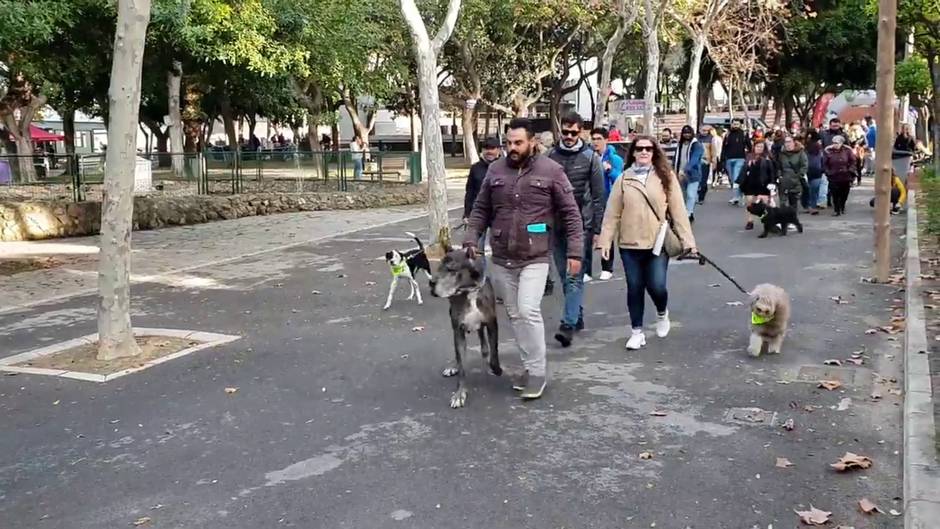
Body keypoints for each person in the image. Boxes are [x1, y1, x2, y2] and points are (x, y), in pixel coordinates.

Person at [463, 117, 584, 399]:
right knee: (515, 314)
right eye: (508, 143)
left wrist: (576, 252)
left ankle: (538, 373)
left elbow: (571, 214)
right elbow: (480, 209)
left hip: (536, 255)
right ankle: (530, 368)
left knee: (528, 310)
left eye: (518, 143)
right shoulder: (495, 170)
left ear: (532, 142)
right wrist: (471, 238)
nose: (512, 148)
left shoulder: (551, 170)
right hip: (502, 257)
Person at [596, 136, 697, 350]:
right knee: (634, 287)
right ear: (633, 152)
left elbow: (679, 212)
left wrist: (689, 242)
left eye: (648, 149)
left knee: (657, 286)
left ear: (654, 152)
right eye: (640, 148)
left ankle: (662, 313)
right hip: (629, 244)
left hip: (657, 242)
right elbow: (612, 213)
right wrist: (605, 241)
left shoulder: (665, 177)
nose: (644, 152)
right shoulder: (623, 179)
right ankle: (637, 332)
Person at [547, 112, 604, 347]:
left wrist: (598, 230)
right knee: (564, 276)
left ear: (581, 132)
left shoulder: (591, 158)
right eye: (565, 132)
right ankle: (576, 314)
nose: (569, 136)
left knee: (573, 276)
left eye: (574, 132)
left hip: (581, 227)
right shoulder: (550, 156)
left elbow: (599, 197)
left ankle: (567, 324)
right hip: (556, 227)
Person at [590, 127, 625, 281]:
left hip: (609, 200)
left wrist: (609, 170)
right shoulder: (589, 157)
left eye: (599, 139)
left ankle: (607, 267)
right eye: (593, 139)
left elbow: (620, 180)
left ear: (606, 140)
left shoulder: (614, 159)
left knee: (606, 233)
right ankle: (586, 270)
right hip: (592, 200)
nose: (595, 142)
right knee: (588, 234)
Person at [463, 137, 502, 251]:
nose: (489, 151)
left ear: (498, 150)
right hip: (479, 213)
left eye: (492, 148)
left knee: (500, 249)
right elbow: (469, 192)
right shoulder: (475, 168)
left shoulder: (505, 168)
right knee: (475, 249)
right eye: (486, 148)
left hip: (499, 214)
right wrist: (467, 214)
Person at [739, 140, 776, 230]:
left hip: (763, 183)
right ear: (754, 147)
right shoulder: (749, 157)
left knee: (764, 203)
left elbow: (771, 171)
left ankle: (768, 221)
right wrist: (740, 181)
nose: (759, 148)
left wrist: (772, 182)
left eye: (761, 147)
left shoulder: (767, 158)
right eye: (757, 146)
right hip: (750, 182)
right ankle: (750, 221)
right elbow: (744, 170)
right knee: (750, 202)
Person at [673, 125, 704, 221]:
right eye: (685, 133)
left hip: (692, 174)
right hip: (679, 173)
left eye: (688, 133)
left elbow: (694, 159)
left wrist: (685, 170)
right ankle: (688, 212)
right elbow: (676, 158)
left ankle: (688, 213)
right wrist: (675, 170)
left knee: (691, 194)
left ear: (692, 133)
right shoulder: (679, 145)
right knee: (683, 195)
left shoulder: (697, 145)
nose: (687, 135)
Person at [823, 135, 857, 216]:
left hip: (845, 176)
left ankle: (842, 206)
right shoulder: (828, 151)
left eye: (837, 143)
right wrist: (828, 172)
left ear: (841, 143)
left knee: (844, 193)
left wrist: (850, 170)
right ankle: (836, 210)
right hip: (833, 176)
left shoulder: (847, 150)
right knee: (835, 194)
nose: (835, 145)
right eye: (834, 143)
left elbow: (853, 161)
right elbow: (825, 163)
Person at [722, 119, 751, 205]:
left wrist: (749, 156)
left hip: (740, 159)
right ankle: (737, 195)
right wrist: (722, 159)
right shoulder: (728, 134)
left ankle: (737, 197)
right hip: (729, 159)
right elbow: (724, 147)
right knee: (732, 179)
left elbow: (749, 146)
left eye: (737, 124)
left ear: (740, 125)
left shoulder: (744, 134)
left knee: (736, 178)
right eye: (734, 124)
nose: (735, 126)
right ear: (731, 124)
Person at [777, 136, 808, 210]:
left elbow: (804, 166)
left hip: (795, 181)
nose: (787, 144)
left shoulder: (800, 153)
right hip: (784, 181)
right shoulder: (782, 154)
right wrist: (779, 176)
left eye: (789, 142)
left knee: (793, 204)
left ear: (794, 142)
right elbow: (779, 166)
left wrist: (798, 176)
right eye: (786, 142)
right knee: (782, 204)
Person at [805, 134, 825, 215]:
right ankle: (812, 206)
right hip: (816, 173)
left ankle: (810, 206)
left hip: (810, 172)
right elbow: (823, 162)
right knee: (814, 191)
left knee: (810, 190)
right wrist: (823, 170)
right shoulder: (820, 152)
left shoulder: (806, 152)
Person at [697, 126, 717, 203]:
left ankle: (701, 197)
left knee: (703, 180)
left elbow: (713, 151)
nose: (705, 132)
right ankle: (698, 195)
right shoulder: (696, 138)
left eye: (706, 131)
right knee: (698, 179)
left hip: (705, 161)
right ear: (700, 130)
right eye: (703, 130)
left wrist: (714, 160)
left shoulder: (711, 138)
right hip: (697, 161)